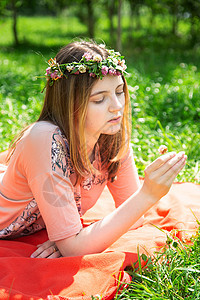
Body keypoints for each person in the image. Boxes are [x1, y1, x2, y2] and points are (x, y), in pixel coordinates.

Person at [0, 40, 187, 259]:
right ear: (70, 104)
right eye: (99, 100)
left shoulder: (111, 136)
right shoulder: (44, 139)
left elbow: (135, 217)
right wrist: (147, 194)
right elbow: (74, 249)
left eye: (119, 92)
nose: (117, 106)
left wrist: (76, 236)